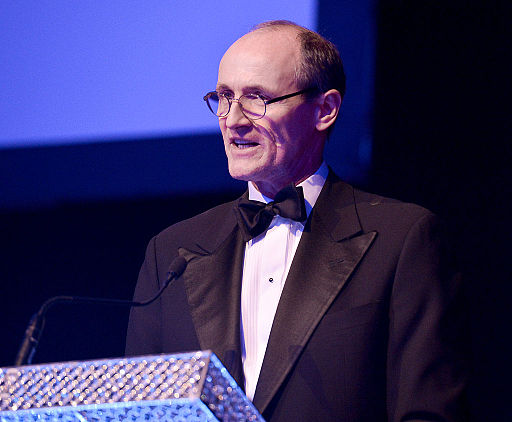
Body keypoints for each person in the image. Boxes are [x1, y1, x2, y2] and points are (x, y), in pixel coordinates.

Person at [126, 20, 467, 421]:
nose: (232, 119)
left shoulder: (402, 239)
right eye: (224, 97)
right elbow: (140, 411)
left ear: (325, 110)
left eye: (256, 98)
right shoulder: (171, 252)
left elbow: (428, 413)